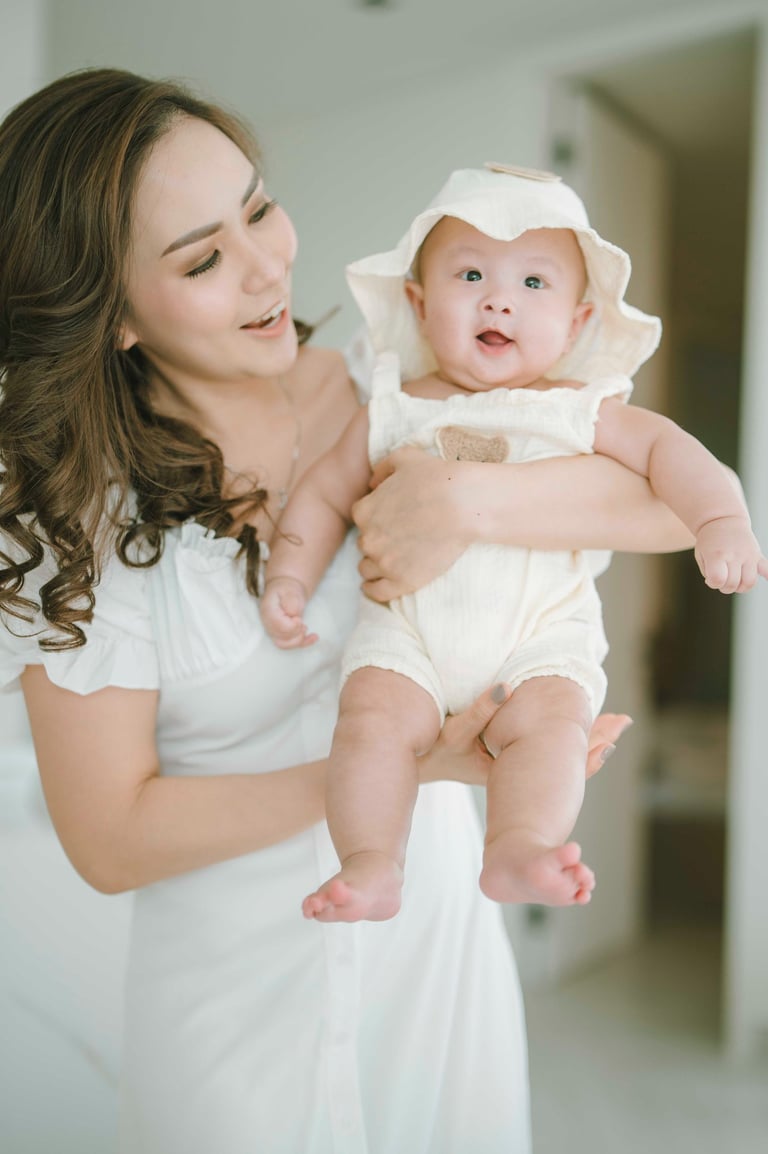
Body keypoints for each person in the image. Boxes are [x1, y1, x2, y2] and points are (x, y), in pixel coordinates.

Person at [0, 70, 692, 1154]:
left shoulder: (396, 390)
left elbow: (672, 501)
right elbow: (109, 835)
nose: (269, 264)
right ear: (114, 314)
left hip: (435, 976)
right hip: (231, 1013)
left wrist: (462, 496)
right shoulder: (68, 524)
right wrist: (408, 766)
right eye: (202, 258)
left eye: (259, 207)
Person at [261, 163, 767, 924]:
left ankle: (518, 847)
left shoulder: (577, 407)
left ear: (578, 321)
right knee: (368, 724)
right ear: (419, 303)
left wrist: (721, 521)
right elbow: (325, 493)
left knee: (553, 729)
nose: (500, 298)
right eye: (471, 274)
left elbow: (673, 456)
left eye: (535, 283)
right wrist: (288, 574)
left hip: (538, 638)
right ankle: (372, 860)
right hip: (410, 639)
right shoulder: (392, 407)